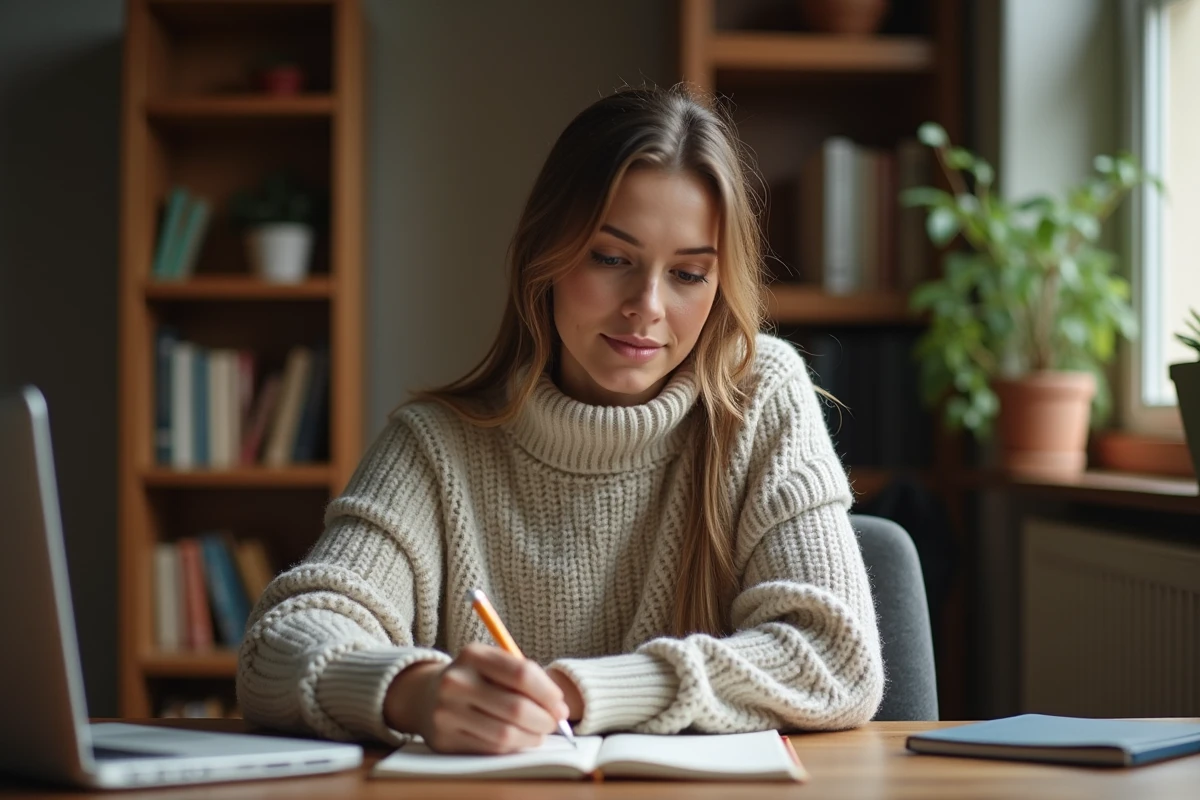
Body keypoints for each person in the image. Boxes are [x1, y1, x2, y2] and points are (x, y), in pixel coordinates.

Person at [237, 84, 883, 754]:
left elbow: (835, 659)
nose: (647, 306)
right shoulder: (436, 445)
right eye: (611, 259)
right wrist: (416, 691)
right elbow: (280, 646)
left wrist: (581, 693)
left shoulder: (759, 396)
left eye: (689, 274)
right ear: (545, 254)